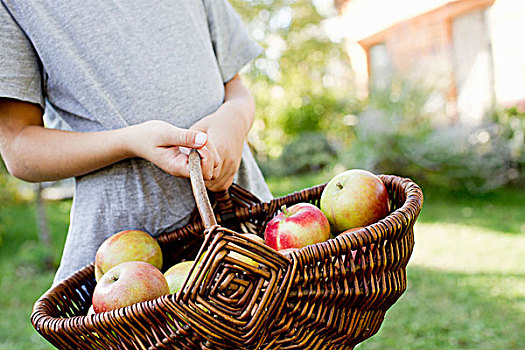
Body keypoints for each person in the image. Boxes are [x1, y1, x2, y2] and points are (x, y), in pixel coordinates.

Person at [0, 0, 272, 285]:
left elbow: (236, 86)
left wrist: (234, 120)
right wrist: (129, 141)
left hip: (242, 218)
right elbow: (18, 145)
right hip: (128, 265)